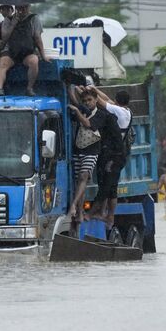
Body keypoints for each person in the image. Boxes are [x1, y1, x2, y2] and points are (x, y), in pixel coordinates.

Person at [85, 87, 131, 225]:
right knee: (111, 188)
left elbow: (101, 102)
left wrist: (90, 91)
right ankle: (106, 215)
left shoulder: (118, 111)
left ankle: (95, 213)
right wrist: (94, 89)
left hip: (114, 154)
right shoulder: (125, 111)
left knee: (107, 186)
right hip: (116, 153)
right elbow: (106, 100)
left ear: (117, 101)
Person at [67, 88, 107, 234]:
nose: (87, 103)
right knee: (79, 181)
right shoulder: (82, 109)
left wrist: (77, 112)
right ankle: (79, 211)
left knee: (84, 176)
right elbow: (74, 101)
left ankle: (73, 205)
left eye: (90, 100)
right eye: (85, 101)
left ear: (96, 100)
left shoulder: (101, 115)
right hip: (78, 150)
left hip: (92, 151)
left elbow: (87, 124)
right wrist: (70, 89)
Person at [0, 4, 49, 96]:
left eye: (25, 7)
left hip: (27, 52)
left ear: (29, 7)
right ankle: (0, 89)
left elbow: (37, 38)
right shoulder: (8, 19)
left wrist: (43, 55)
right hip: (11, 51)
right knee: (3, 63)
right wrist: (13, 24)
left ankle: (29, 88)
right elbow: (4, 38)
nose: (23, 10)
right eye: (20, 8)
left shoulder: (34, 18)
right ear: (16, 8)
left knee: (34, 61)